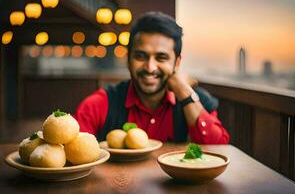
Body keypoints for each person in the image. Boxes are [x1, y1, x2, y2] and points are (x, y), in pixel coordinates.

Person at [75, 12, 229, 144]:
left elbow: (218, 148)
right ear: (128, 59)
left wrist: (184, 92)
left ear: (176, 63)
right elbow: (72, 148)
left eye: (161, 58)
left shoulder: (196, 100)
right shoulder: (101, 103)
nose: (150, 67)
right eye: (141, 56)